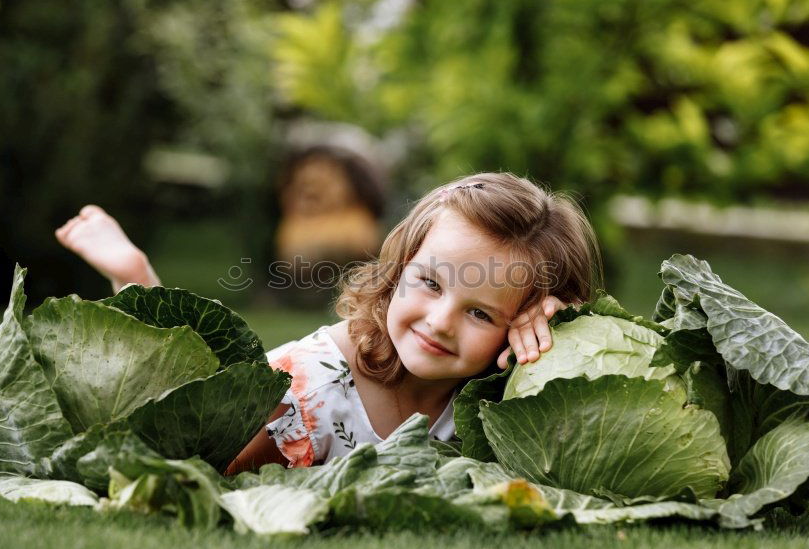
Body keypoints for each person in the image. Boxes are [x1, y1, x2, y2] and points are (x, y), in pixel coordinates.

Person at [55, 172, 601, 473]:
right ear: (397, 269)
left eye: (481, 312)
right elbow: (189, 450)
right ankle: (137, 277)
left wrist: (565, 331)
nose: (440, 322)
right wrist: (138, 285)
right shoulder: (307, 389)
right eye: (429, 283)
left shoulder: (505, 390)